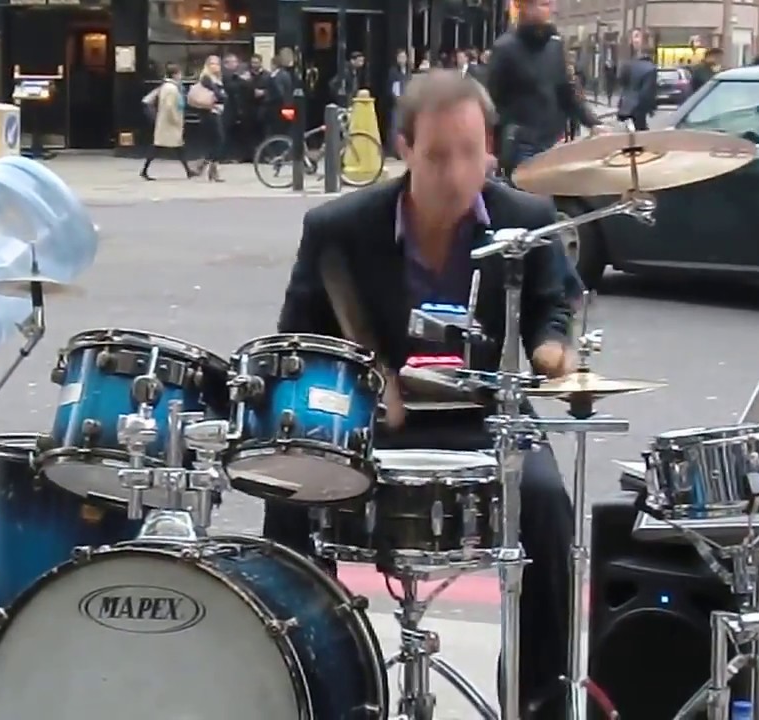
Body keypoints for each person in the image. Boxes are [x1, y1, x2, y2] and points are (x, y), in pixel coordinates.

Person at [262, 69, 577, 720]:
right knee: (288, 488)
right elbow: (297, 341)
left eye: (471, 151)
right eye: (438, 155)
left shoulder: (527, 220)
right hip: (376, 420)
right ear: (403, 148)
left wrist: (551, 347)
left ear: (489, 146)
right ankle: (300, 677)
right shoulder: (339, 229)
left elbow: (555, 303)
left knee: (546, 501)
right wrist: (364, 387)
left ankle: (539, 696)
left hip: (486, 416)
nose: (458, 172)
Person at [487, 0, 600, 179]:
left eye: (549, 4)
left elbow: (567, 91)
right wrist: (488, 149)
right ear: (524, 6)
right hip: (521, 144)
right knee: (527, 201)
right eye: (543, 4)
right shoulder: (505, 49)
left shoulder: (555, 46)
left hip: (553, 142)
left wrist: (594, 123)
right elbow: (491, 101)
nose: (550, 10)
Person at [140, 63, 197, 181]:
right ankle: (145, 170)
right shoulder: (171, 88)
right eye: (179, 74)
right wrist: (176, 120)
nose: (181, 76)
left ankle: (188, 171)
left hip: (166, 123)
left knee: (176, 147)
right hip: (169, 123)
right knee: (163, 146)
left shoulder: (169, 86)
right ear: (175, 75)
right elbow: (169, 106)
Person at [192, 55, 227, 182]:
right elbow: (219, 96)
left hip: (216, 112)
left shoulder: (217, 78)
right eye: (212, 64)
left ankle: (207, 166)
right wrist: (222, 95)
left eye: (217, 64)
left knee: (216, 141)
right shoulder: (206, 78)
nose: (215, 66)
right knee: (219, 140)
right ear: (207, 65)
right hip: (209, 112)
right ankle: (208, 166)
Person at [616, 37, 658, 130]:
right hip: (638, 110)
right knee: (640, 136)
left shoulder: (627, 65)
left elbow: (622, 83)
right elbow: (647, 93)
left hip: (624, 107)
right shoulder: (651, 69)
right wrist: (651, 108)